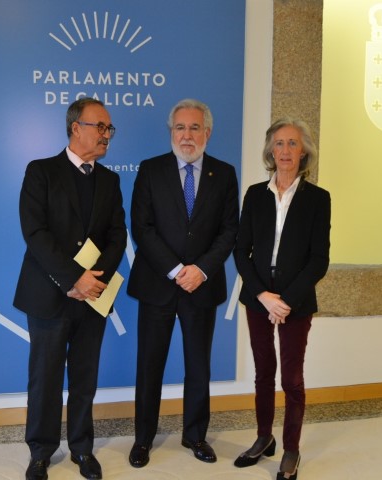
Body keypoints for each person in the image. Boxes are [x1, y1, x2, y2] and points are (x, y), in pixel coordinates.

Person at [13, 97, 127, 480]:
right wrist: (72, 278)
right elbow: (35, 232)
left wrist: (94, 280)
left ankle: (82, 449)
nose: (106, 134)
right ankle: (41, 452)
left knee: (84, 378)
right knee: (44, 378)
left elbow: (118, 235)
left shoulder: (110, 180)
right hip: (48, 294)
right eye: (100, 126)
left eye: (109, 128)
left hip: (92, 297)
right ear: (75, 127)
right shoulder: (41, 171)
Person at [127, 99, 239, 468]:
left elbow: (229, 231)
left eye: (194, 128)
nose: (187, 136)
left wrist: (200, 270)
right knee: (150, 365)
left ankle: (195, 435)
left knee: (198, 366)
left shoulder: (224, 174)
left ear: (207, 132)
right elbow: (141, 227)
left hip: (202, 286)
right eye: (180, 128)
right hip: (159, 283)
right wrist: (176, 270)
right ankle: (143, 439)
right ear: (171, 131)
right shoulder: (150, 169)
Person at [233, 118, 331, 479]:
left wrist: (285, 300)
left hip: (296, 300)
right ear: (270, 151)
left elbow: (319, 259)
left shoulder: (318, 199)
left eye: (292, 144)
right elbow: (241, 251)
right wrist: (263, 295)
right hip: (258, 296)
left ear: (303, 151)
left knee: (291, 378)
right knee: (263, 374)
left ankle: (291, 449)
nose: (285, 151)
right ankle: (263, 439)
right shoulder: (255, 195)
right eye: (279, 144)